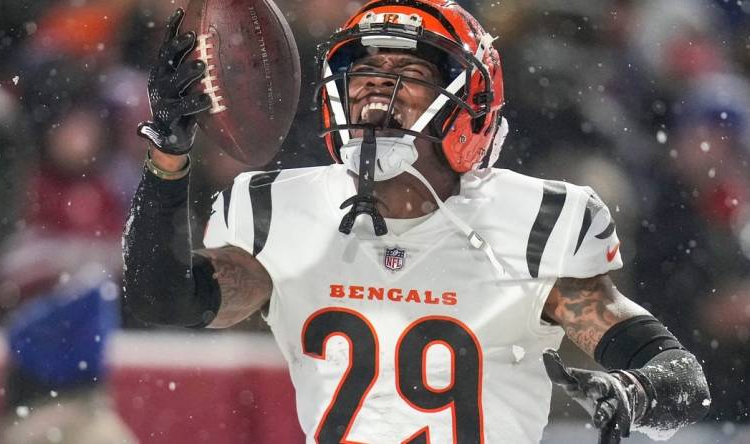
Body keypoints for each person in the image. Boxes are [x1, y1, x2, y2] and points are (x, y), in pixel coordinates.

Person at [123, 2, 711, 443]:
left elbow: (681, 377)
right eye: (367, 69)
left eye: (408, 70)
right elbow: (166, 301)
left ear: (469, 101)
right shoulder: (280, 209)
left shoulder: (535, 224)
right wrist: (169, 161)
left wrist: (638, 391)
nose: (378, 84)